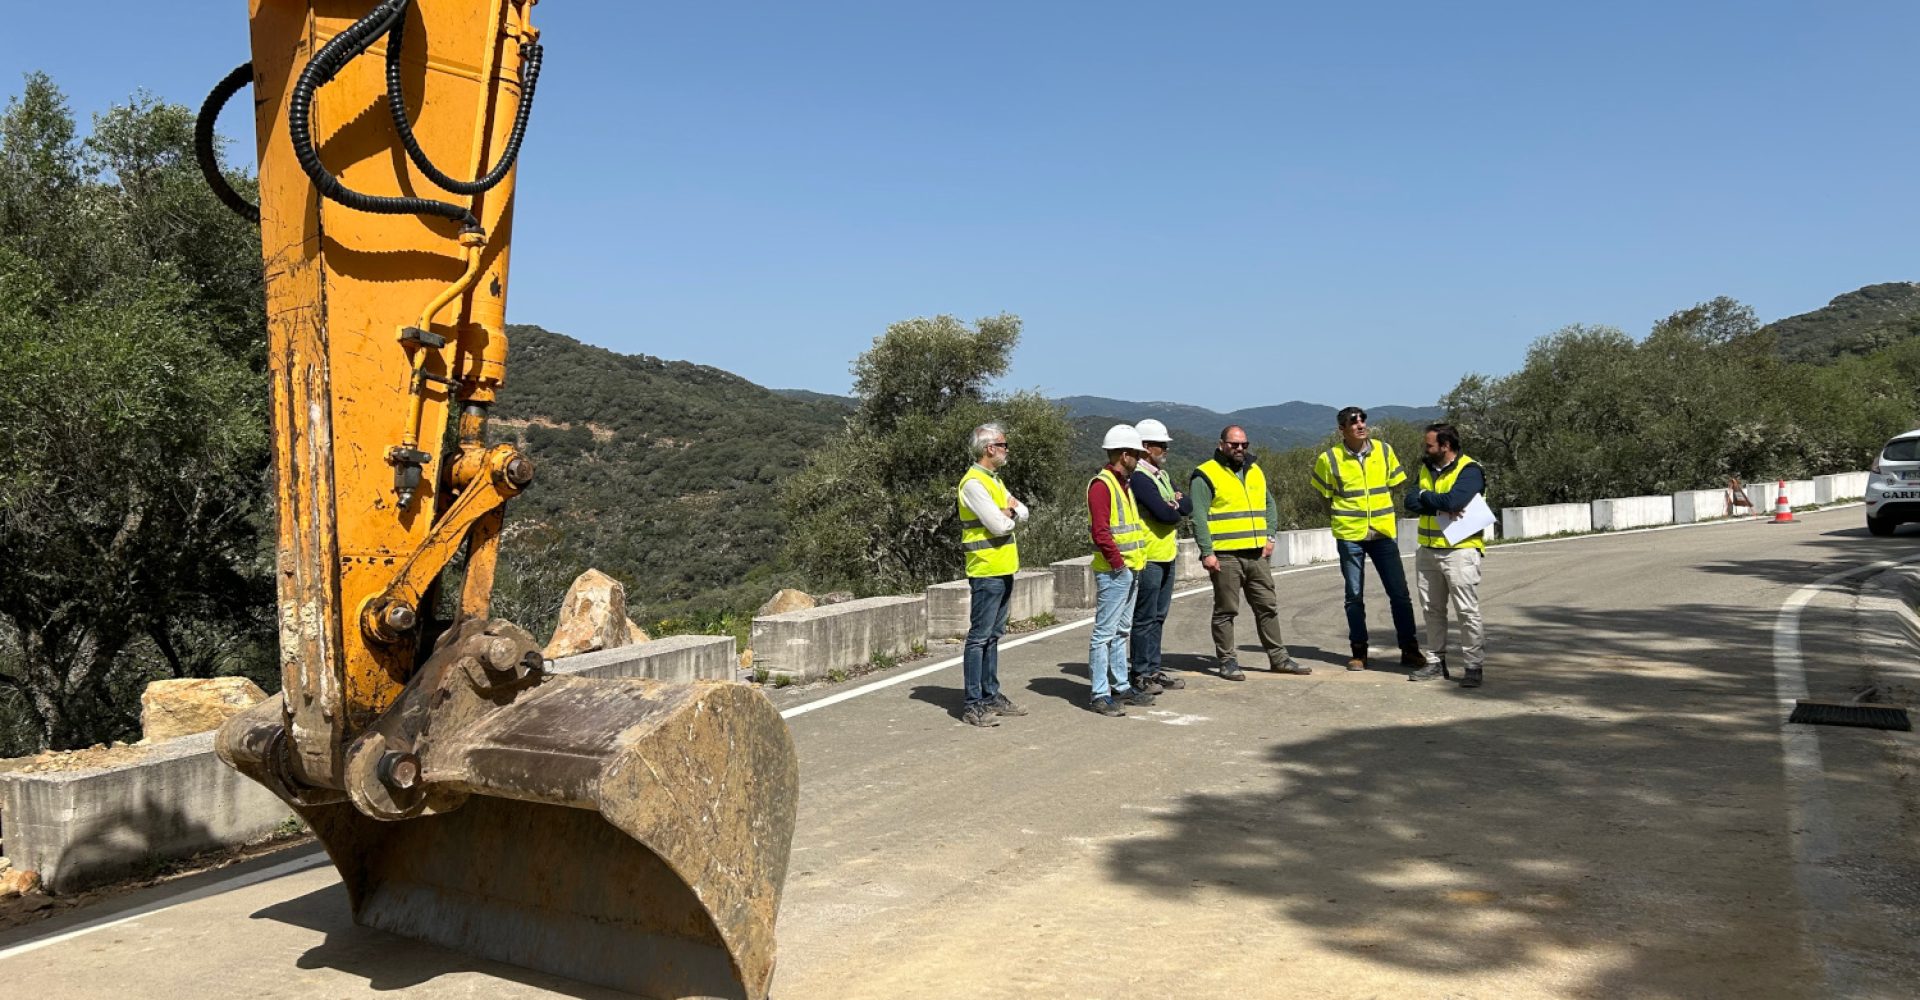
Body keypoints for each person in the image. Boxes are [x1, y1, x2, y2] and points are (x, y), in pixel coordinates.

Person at [1190, 425, 1308, 680]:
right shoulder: (1205, 474)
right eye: (1234, 444)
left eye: (1244, 444)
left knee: (1267, 606)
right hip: (1226, 555)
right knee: (1226, 610)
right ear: (1221, 444)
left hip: (1257, 555)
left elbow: (1269, 504)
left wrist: (1270, 536)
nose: (1240, 449)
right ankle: (1228, 661)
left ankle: (1279, 658)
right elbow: (1198, 517)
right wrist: (1207, 552)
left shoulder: (1255, 470)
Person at [1310, 406, 1423, 671]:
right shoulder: (1329, 459)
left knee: (1400, 593)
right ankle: (1359, 652)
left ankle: (1410, 649)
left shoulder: (1384, 450)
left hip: (1382, 532)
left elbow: (1395, 485)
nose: (1361, 425)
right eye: (1354, 421)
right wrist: (1341, 519)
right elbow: (1324, 497)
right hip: (1350, 535)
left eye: (1363, 420)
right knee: (1354, 596)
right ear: (1342, 429)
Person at [956, 422, 1030, 726]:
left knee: (993, 636)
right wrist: (1009, 512)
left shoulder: (994, 481)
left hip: (1003, 567)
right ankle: (973, 703)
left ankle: (990, 694)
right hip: (986, 569)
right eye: (1003, 445)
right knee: (979, 638)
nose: (1006, 450)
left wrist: (1010, 512)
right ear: (989, 448)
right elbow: (1000, 525)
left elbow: (1024, 511)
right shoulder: (973, 484)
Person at [1403, 422, 1487, 687]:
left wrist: (1426, 497)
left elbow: (1455, 502)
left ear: (1445, 446)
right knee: (1432, 610)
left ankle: (1473, 666)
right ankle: (1435, 663)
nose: (1425, 449)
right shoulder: (1425, 468)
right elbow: (1410, 501)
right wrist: (1437, 504)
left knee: (1466, 611)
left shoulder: (1470, 470)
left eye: (1429, 445)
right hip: (1428, 550)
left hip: (1460, 551)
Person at [1086, 424, 1156, 716]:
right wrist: (1118, 565)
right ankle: (1100, 693)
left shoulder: (1122, 484)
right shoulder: (1102, 485)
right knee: (1104, 633)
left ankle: (1121, 686)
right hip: (1115, 571)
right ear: (1124, 454)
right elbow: (1101, 531)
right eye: (1136, 454)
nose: (1139, 459)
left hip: (1130, 568)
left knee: (1121, 631)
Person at [1128, 418, 1193, 694]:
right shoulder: (1139, 478)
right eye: (1161, 445)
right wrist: (1173, 505)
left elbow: (1186, 505)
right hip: (1149, 556)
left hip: (1167, 554)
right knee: (1144, 617)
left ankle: (1154, 669)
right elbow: (1164, 514)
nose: (1166, 449)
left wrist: (1174, 504)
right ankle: (1140, 673)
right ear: (1145, 447)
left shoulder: (1161, 476)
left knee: (1159, 616)